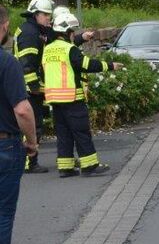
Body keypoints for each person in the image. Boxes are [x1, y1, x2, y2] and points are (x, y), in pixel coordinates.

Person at [42, 11, 123, 178]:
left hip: (54, 99)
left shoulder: (48, 49)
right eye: (73, 32)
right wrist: (110, 66)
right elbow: (86, 64)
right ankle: (89, 166)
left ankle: (65, 168)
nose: (74, 35)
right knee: (81, 132)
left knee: (63, 134)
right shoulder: (69, 49)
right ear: (67, 33)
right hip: (72, 98)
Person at [0, 4, 38, 244]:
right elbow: (22, 110)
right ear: (3, 26)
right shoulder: (7, 62)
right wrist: (32, 142)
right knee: (2, 214)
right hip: (4, 146)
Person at [13, 0, 54, 173]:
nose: (48, 18)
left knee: (34, 123)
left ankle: (29, 161)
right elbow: (27, 64)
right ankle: (30, 162)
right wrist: (35, 87)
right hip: (29, 89)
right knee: (31, 124)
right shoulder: (30, 33)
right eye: (45, 15)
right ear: (36, 14)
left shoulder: (33, 29)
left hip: (28, 87)